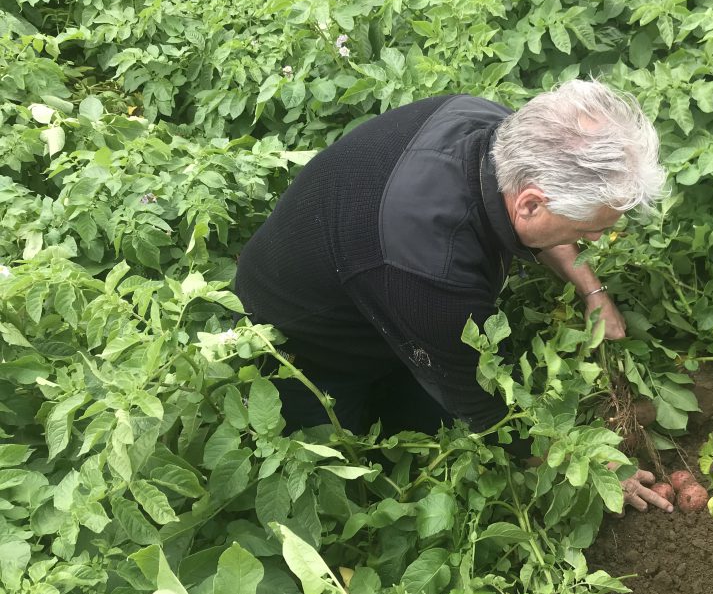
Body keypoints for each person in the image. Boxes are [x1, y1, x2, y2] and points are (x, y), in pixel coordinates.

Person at [234, 79, 673, 512]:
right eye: (587, 229)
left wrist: (592, 292)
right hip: (300, 337)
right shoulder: (431, 270)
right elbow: (486, 407)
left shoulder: (496, 129)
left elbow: (552, 209)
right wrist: (595, 467)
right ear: (530, 205)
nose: (595, 238)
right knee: (335, 474)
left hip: (364, 265)